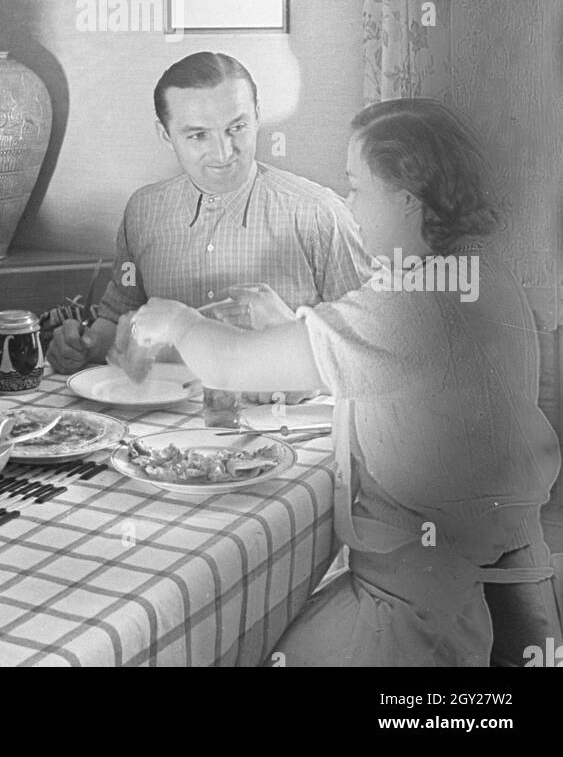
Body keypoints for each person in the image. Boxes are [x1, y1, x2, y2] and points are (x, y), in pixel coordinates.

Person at [130, 98, 562, 667]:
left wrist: (178, 320)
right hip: (493, 573)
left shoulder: (409, 305)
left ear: (407, 200)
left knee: (240, 645)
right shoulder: (478, 273)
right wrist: (294, 329)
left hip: (418, 603)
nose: (350, 207)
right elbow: (405, 382)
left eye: (357, 188)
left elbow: (227, 366)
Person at [47, 52, 371, 375]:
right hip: (157, 417)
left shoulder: (320, 214)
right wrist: (84, 345)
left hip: (277, 419)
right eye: (198, 135)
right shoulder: (142, 211)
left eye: (237, 127)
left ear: (257, 117)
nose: (223, 152)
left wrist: (292, 336)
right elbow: (119, 318)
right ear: (166, 135)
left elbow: (367, 348)